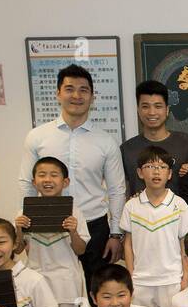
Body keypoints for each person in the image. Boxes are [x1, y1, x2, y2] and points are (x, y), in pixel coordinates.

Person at [19, 64, 125, 289]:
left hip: (94, 225)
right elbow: (26, 184)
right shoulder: (38, 137)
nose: (76, 95)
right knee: (51, 295)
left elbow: (117, 190)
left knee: (97, 293)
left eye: (83, 90)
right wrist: (28, 232)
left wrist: (115, 234)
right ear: (58, 93)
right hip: (48, 225)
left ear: (92, 96)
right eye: (69, 89)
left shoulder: (106, 141)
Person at [15, 156, 88, 307]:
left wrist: (73, 231)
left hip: (67, 285)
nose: (48, 180)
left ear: (65, 182)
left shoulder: (74, 209)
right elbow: (16, 249)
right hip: (36, 286)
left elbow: (81, 249)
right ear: (34, 181)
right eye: (42, 175)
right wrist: (18, 229)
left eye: (54, 175)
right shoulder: (24, 211)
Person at [120, 146, 188, 307]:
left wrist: (185, 278)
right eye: (150, 166)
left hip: (172, 280)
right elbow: (128, 244)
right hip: (141, 282)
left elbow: (186, 244)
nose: (156, 172)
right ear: (140, 172)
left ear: (170, 174)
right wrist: (131, 276)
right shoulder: (131, 206)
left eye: (162, 167)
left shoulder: (179, 204)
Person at [120, 79, 188, 198]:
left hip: (179, 215)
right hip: (139, 215)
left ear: (167, 110)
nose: (152, 112)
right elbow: (120, 190)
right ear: (138, 110)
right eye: (145, 106)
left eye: (158, 106)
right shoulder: (126, 149)